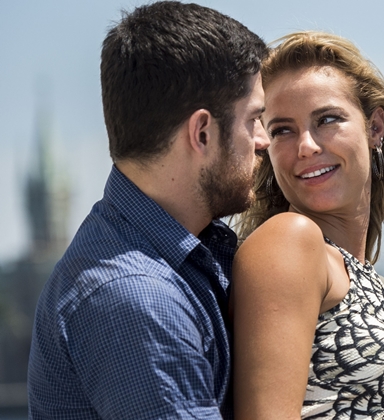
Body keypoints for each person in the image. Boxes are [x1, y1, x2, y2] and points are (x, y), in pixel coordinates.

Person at [27, 2, 268, 418]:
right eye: (254, 120)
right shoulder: (137, 299)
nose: (263, 140)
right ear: (203, 132)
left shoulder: (176, 256)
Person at [232, 31, 384, 420]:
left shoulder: (375, 285)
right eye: (282, 130)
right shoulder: (288, 243)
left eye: (326, 120)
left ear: (374, 127)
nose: (306, 146)